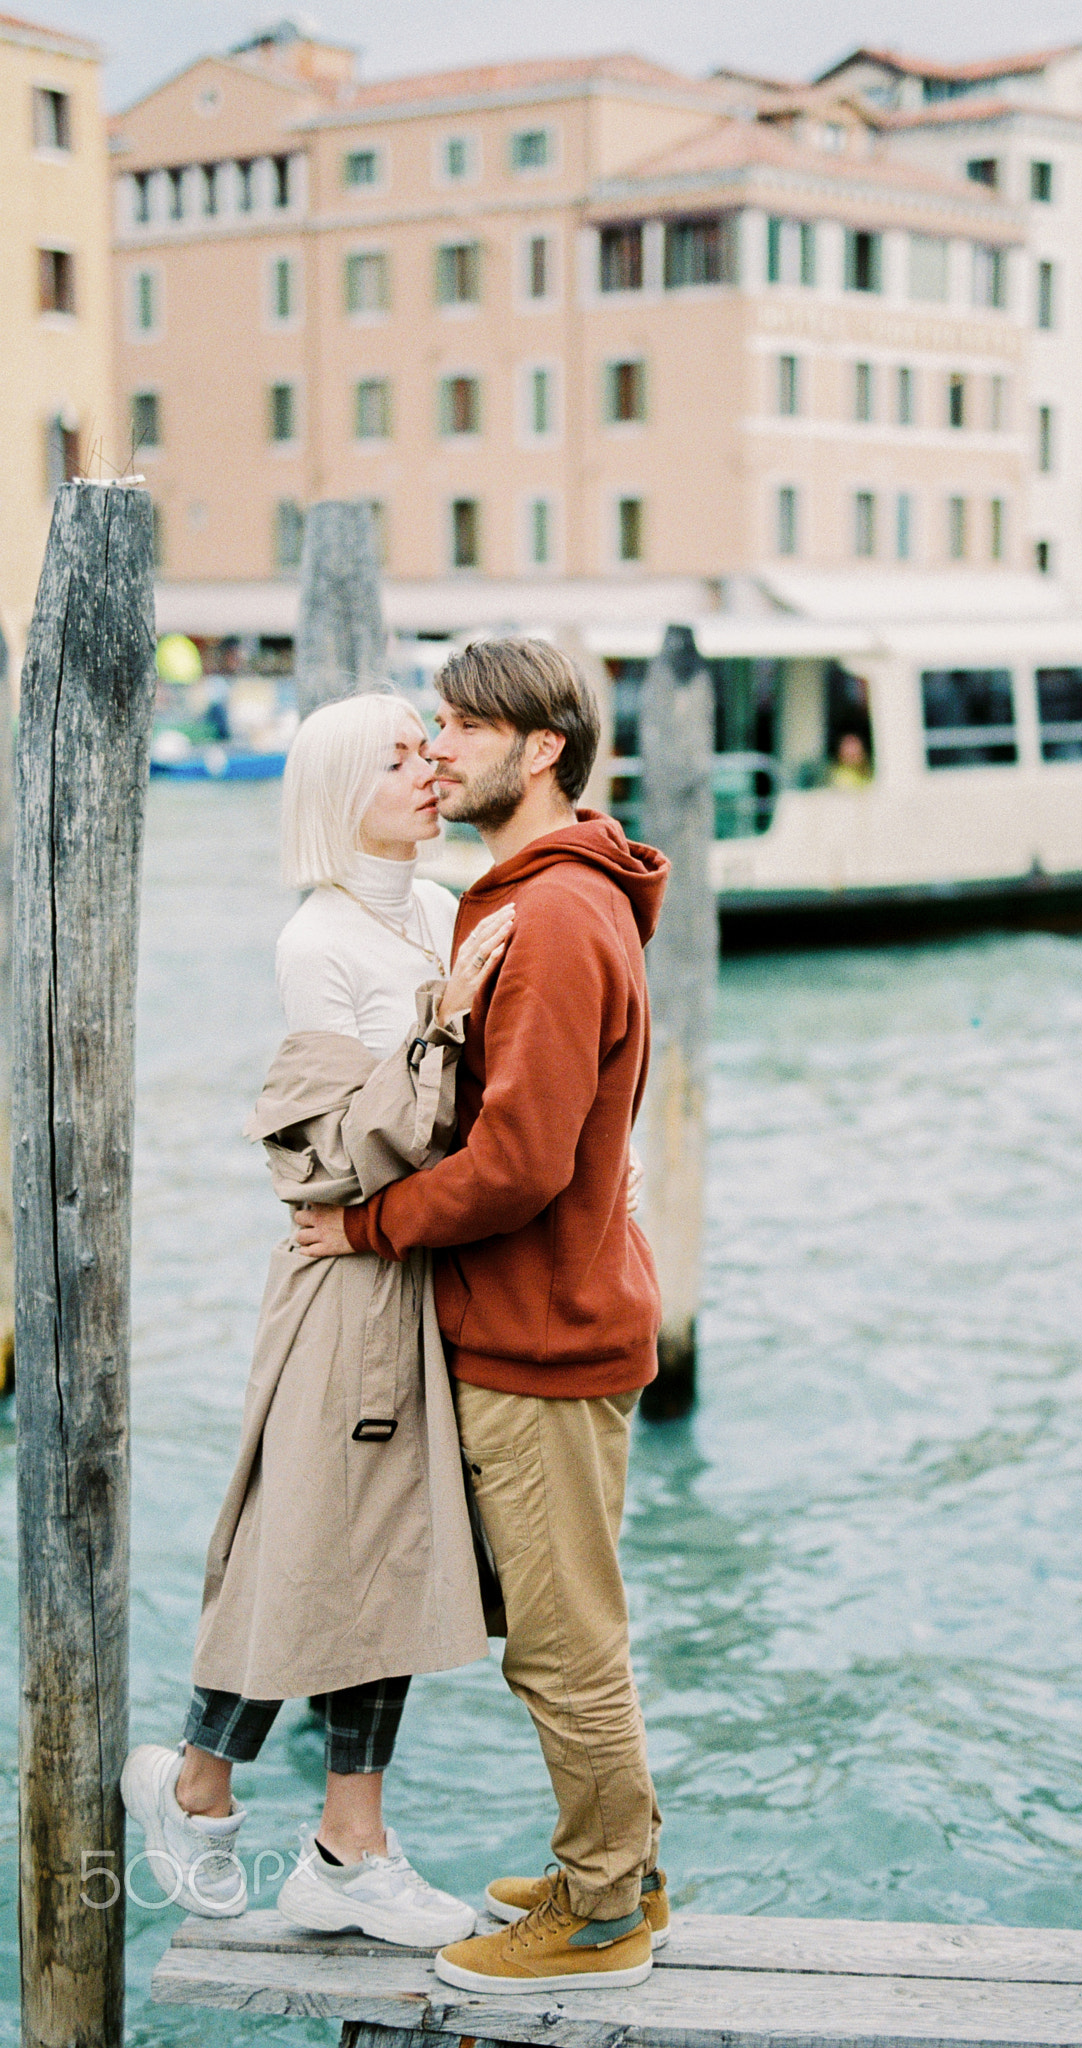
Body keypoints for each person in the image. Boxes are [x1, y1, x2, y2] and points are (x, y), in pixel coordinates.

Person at [296, 639, 670, 1994]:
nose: (438, 749)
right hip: (547, 1322)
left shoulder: (559, 915)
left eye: (462, 727)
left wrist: (364, 1222)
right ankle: (614, 1862)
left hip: (544, 1339)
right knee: (567, 1632)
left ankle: (598, 1915)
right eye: (436, 726)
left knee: (566, 1650)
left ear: (543, 749)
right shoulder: (544, 898)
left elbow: (517, 1163)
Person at [121, 691, 514, 1948]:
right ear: (339, 788)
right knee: (305, 1540)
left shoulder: (454, 909)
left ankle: (348, 1840)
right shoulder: (320, 941)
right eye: (396, 757)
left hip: (426, 1270)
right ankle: (194, 1781)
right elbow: (336, 1155)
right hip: (344, 1280)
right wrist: (444, 1013)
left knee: (385, 1556)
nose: (426, 768)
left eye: (425, 750)